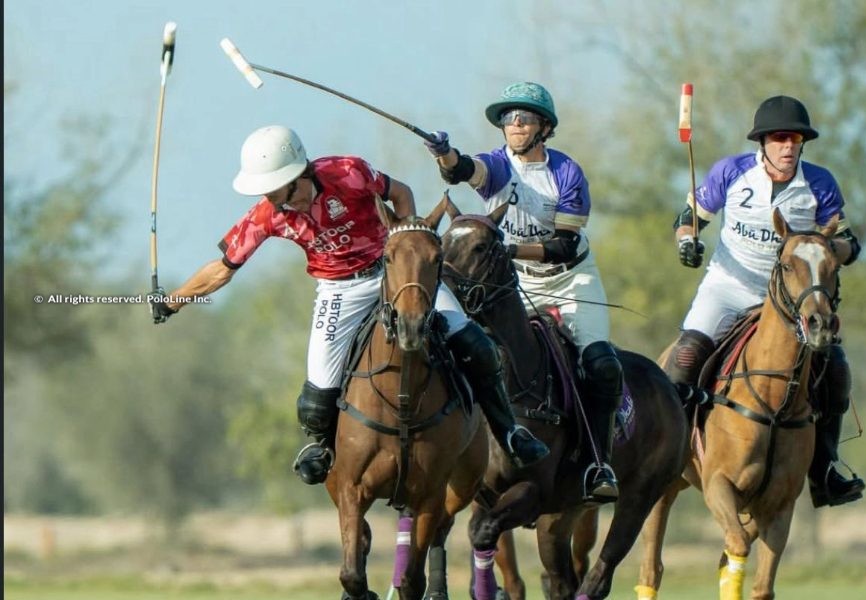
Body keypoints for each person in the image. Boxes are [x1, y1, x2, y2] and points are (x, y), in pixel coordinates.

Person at [152, 125, 548, 484]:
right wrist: (172, 302)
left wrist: (406, 248)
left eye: (275, 190)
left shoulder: (348, 173)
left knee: (474, 343)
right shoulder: (266, 216)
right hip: (338, 290)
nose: (270, 200)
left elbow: (400, 193)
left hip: (392, 273)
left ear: (298, 176)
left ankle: (509, 432)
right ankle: (323, 449)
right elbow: (223, 269)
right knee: (316, 397)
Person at [423, 82, 623, 504]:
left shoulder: (566, 172)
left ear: (544, 127)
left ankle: (597, 462)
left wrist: (507, 249)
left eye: (524, 118)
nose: (515, 124)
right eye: (508, 118)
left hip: (568, 280)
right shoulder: (497, 166)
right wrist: (444, 153)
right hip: (510, 281)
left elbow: (564, 245)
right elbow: (462, 170)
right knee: (460, 348)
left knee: (601, 365)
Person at [665, 95, 866, 508]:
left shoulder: (820, 183)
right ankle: (664, 452)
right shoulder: (731, 171)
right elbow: (688, 219)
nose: (788, 146)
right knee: (684, 358)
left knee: (836, 369)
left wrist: (828, 250)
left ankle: (825, 469)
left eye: (795, 139)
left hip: (790, 301)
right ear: (762, 142)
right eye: (779, 138)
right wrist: (686, 242)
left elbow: (850, 243)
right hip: (728, 287)